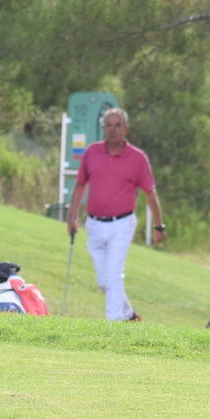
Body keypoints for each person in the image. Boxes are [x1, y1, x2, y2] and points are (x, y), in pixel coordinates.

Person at [65, 108, 165, 321]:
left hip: (122, 223)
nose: (112, 130)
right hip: (94, 224)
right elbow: (81, 185)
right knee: (104, 281)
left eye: (117, 125)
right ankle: (128, 314)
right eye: (108, 125)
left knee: (113, 276)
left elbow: (150, 193)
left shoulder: (137, 158)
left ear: (126, 128)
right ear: (103, 129)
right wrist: (71, 216)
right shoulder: (92, 152)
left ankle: (113, 326)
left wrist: (158, 226)